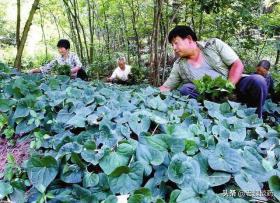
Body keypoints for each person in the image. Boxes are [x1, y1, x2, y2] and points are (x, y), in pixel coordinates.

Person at [160, 25, 268, 118]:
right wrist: (147, 94)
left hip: (234, 87)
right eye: (172, 45)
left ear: (189, 39)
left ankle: (255, 118)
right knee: (186, 89)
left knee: (258, 80)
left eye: (176, 43)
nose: (174, 48)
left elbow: (237, 64)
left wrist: (228, 87)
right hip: (211, 98)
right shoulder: (179, 65)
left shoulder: (214, 45)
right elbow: (167, 87)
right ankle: (212, 115)